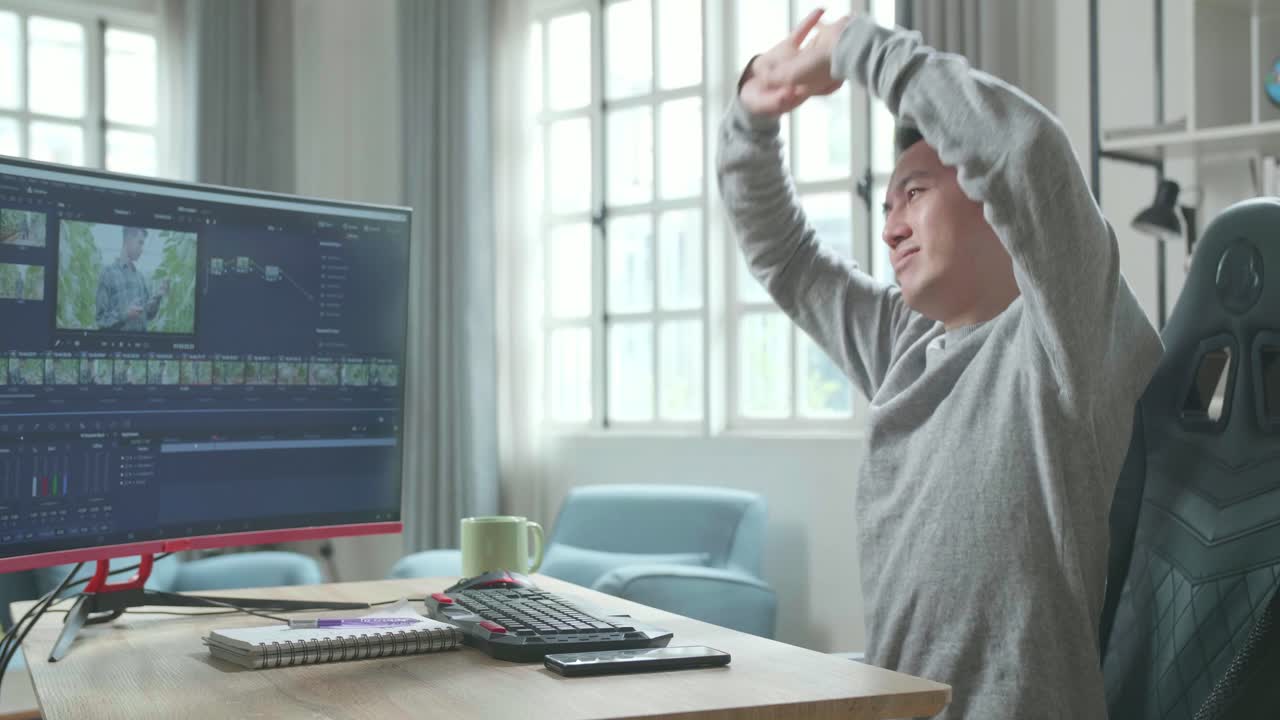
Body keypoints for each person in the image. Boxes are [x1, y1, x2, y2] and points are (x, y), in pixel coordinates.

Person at [718, 10, 1162, 719]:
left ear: (990, 200)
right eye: (886, 203)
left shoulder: (1067, 335)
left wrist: (859, 49)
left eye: (916, 193)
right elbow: (786, 259)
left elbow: (1027, 154)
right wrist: (751, 118)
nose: (890, 225)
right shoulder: (904, 342)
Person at [96, 226, 167, 331]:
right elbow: (101, 320)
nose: (142, 249)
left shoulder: (140, 277)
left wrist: (158, 296)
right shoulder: (108, 273)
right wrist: (125, 314)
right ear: (128, 240)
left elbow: (148, 314)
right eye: (140, 243)